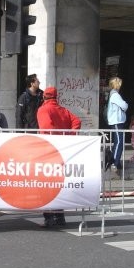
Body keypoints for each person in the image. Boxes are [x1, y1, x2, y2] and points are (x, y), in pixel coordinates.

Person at [36, 86, 81, 227]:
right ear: (56, 97)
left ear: (44, 97)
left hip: (49, 151)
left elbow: (46, 129)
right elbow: (77, 122)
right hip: (63, 152)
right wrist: (69, 137)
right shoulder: (63, 110)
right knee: (58, 184)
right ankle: (60, 216)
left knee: (46, 186)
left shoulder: (43, 110)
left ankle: (49, 217)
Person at [105, 77, 128, 171]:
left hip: (116, 121)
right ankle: (114, 162)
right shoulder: (115, 95)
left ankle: (116, 161)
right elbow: (124, 105)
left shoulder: (112, 94)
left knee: (117, 142)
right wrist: (125, 104)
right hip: (117, 121)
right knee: (119, 142)